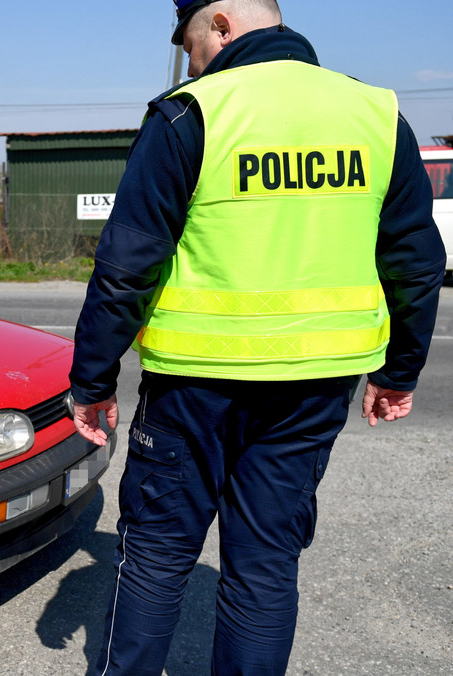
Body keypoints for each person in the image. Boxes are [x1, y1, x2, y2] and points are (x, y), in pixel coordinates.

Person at [68, 1, 445, 674]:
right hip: (313, 391)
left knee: (154, 558)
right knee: (264, 571)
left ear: (220, 24)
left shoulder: (191, 113)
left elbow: (127, 264)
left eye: (189, 44)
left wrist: (93, 380)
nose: (190, 62)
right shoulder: (375, 115)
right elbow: (416, 259)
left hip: (193, 387)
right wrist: (400, 371)